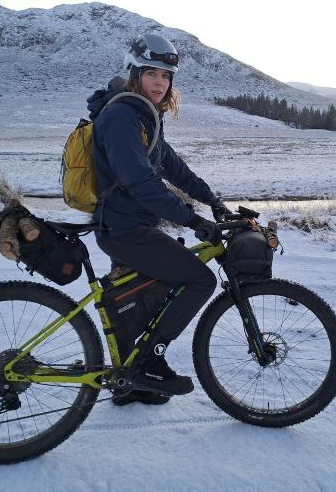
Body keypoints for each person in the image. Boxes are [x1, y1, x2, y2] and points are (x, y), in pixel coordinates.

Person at [87, 34, 229, 406]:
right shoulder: (121, 117)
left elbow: (173, 167)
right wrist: (192, 220)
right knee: (199, 280)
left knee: (131, 303)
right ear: (134, 73)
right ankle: (149, 363)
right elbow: (142, 183)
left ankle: (130, 383)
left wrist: (211, 200)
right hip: (124, 230)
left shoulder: (143, 116)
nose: (160, 82)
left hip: (128, 225)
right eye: (151, 73)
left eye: (166, 76)